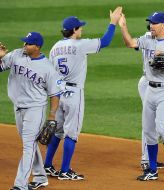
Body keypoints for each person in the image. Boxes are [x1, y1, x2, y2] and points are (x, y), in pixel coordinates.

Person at [43, 7, 122, 180]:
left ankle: (47, 165)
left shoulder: (55, 47)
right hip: (73, 93)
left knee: (58, 130)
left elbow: (50, 73)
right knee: (71, 133)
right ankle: (65, 171)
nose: (82, 29)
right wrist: (113, 22)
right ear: (74, 30)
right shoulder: (80, 44)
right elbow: (105, 41)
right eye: (79, 27)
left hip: (58, 93)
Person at [119, 11, 164, 182]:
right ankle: (152, 169)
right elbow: (130, 43)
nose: (151, 26)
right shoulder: (147, 38)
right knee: (149, 131)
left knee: (162, 128)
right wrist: (123, 27)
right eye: (150, 23)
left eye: (154, 23)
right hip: (150, 89)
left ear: (163, 25)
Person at [0, 32, 61, 190]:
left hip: (35, 109)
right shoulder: (16, 55)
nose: (24, 46)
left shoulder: (47, 68)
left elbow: (55, 94)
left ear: (37, 47)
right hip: (18, 107)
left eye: (28, 44)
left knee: (28, 146)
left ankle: (20, 185)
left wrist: (52, 116)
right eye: (25, 43)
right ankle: (40, 176)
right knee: (30, 144)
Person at [136, 30, 164, 171]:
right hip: (149, 82)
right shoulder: (150, 38)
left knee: (153, 121)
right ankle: (146, 159)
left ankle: (148, 158)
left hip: (149, 80)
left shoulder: (147, 38)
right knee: (150, 121)